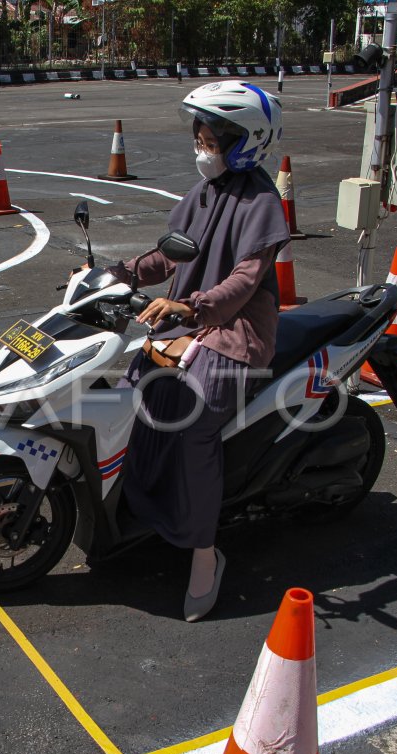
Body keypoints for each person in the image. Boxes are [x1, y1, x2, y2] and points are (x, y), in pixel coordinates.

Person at [112, 81, 289, 621]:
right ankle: (147, 508)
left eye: (212, 142)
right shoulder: (203, 194)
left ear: (246, 142)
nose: (202, 150)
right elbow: (166, 258)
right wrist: (113, 274)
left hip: (235, 334)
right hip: (183, 321)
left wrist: (193, 308)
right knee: (130, 393)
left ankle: (205, 551)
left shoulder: (262, 202)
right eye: (200, 138)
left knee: (192, 422)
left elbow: (244, 280)